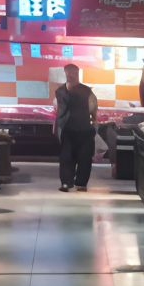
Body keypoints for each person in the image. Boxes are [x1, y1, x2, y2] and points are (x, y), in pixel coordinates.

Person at [52, 63, 97, 191]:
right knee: (69, 157)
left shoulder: (84, 91)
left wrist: (95, 123)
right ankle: (70, 183)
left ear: (77, 74)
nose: (71, 76)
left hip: (82, 128)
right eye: (69, 73)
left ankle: (76, 183)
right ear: (66, 74)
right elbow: (93, 108)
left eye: (73, 73)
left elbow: (93, 108)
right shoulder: (61, 91)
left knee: (81, 157)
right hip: (70, 128)